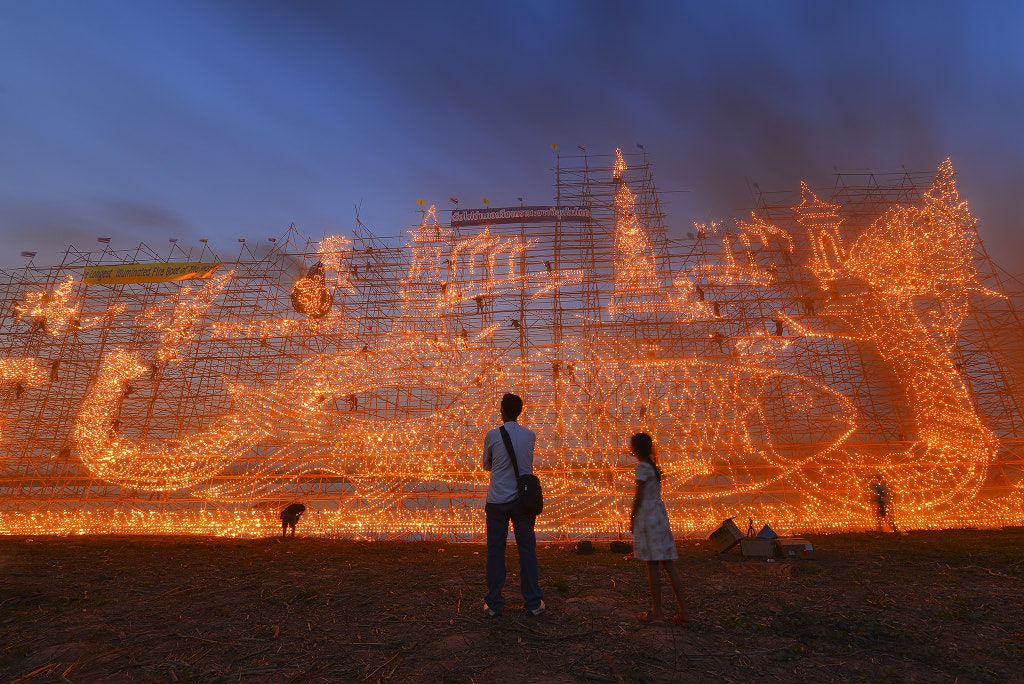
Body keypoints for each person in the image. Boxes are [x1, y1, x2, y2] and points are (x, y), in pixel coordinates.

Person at [482, 393, 544, 618]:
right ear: (519, 411)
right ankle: (533, 602)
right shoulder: (530, 435)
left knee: (496, 551)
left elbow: (486, 464)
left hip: (497, 500)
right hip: (522, 500)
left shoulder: (492, 435)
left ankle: (494, 603)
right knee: (527, 550)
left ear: (502, 411)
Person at [629, 432, 690, 626]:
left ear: (636, 449)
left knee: (652, 565)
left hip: (648, 519)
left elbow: (639, 496)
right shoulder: (654, 467)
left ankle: (657, 613)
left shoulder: (641, 467)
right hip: (660, 517)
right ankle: (685, 612)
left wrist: (632, 517)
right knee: (668, 565)